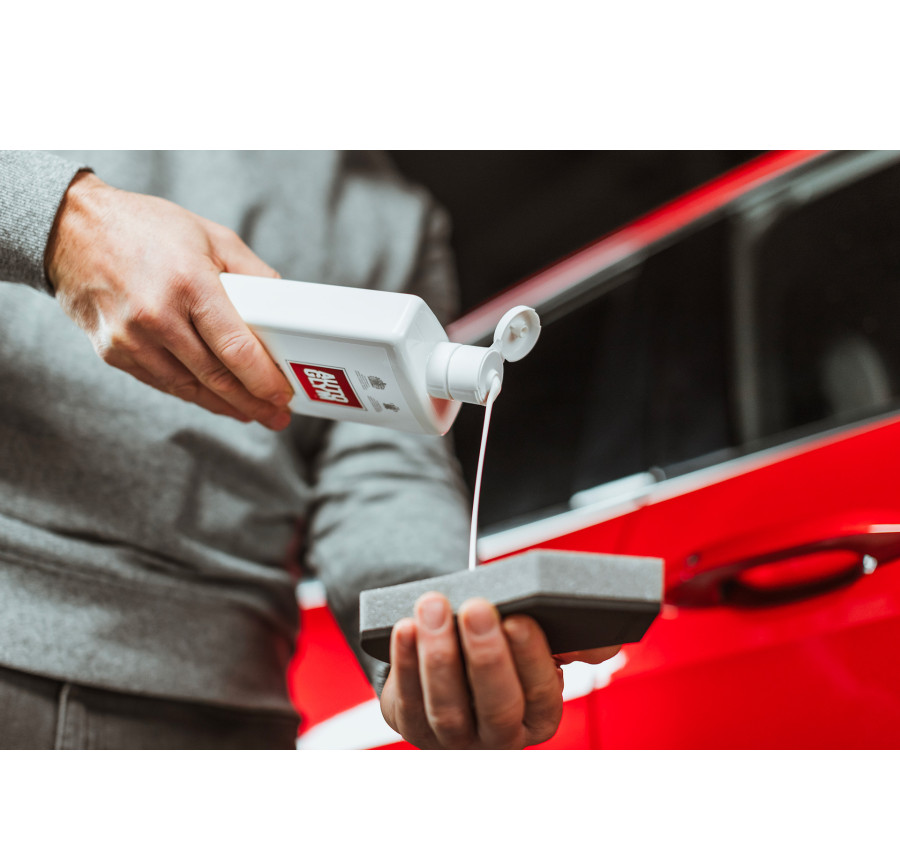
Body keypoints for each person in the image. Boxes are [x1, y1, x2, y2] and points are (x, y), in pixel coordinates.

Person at [0, 150, 616, 749]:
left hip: (228, 700)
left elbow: (382, 464)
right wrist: (64, 222)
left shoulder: (396, 217)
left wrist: (420, 632)